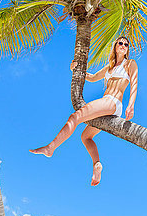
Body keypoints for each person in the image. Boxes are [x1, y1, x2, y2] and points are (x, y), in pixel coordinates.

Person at [29, 36, 138, 186]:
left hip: (112, 102)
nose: (124, 45)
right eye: (121, 43)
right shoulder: (110, 67)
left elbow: (134, 84)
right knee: (86, 136)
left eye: (126, 44)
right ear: (115, 46)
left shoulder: (130, 64)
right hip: (107, 104)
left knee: (76, 116)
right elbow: (92, 78)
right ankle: (96, 164)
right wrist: (76, 69)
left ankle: (51, 147)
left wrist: (131, 105)